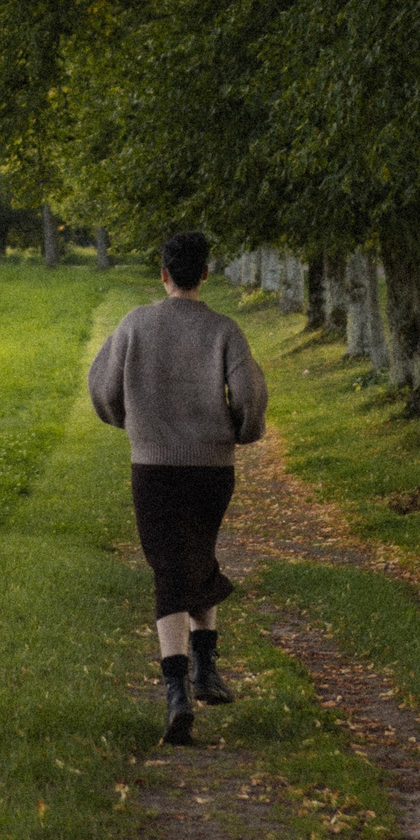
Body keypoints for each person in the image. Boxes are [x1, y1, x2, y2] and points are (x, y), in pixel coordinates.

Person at [88, 230, 268, 745]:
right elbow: (251, 394)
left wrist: (128, 420)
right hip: (213, 469)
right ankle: (206, 669)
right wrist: (241, 431)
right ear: (205, 275)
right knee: (195, 555)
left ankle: (176, 692)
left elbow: (101, 386)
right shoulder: (225, 329)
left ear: (162, 273)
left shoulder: (135, 324)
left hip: (154, 466)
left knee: (170, 568)